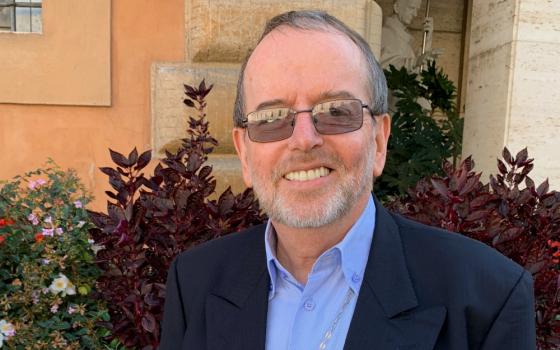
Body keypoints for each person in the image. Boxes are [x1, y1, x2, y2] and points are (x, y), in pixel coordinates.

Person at [160, 10, 535, 350]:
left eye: (336, 111)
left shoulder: (488, 298)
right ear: (244, 151)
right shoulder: (195, 283)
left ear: (378, 139)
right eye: (272, 117)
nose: (304, 139)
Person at [380, 0, 441, 71]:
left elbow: (416, 70)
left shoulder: (403, 37)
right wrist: (415, 61)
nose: (415, 14)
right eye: (411, 8)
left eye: (417, 10)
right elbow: (386, 65)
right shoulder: (386, 33)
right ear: (396, 7)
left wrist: (427, 39)